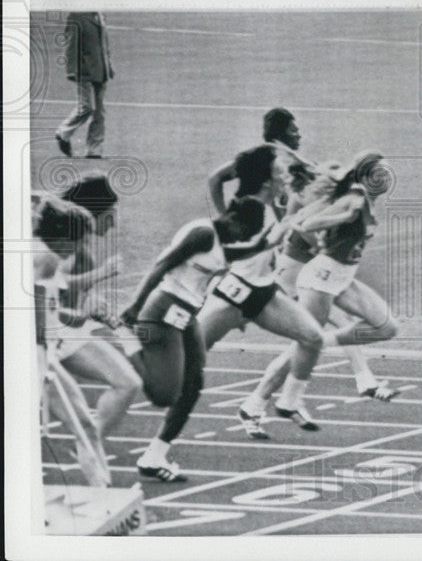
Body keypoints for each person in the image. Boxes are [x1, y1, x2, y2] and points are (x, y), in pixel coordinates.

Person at [237, 152, 398, 440]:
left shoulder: (361, 197)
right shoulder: (354, 201)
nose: (385, 178)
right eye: (379, 173)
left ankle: (272, 395)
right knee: (303, 344)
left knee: (385, 326)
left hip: (342, 279)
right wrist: (335, 224)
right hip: (320, 279)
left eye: (387, 173)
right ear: (365, 175)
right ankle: (267, 402)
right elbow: (304, 222)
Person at [122, 197, 267, 482]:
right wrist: (135, 305)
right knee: (165, 393)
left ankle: (154, 455)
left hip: (185, 316)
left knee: (193, 384)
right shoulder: (202, 233)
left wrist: (284, 227)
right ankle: (126, 342)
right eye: (243, 231)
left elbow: (253, 247)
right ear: (233, 219)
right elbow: (161, 265)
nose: (242, 238)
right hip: (164, 309)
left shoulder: (222, 244)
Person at [198, 144, 326, 432]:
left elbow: (300, 218)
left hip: (264, 294)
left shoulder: (274, 202)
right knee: (185, 362)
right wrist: (224, 221)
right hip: (234, 296)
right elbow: (216, 182)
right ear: (267, 178)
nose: (284, 172)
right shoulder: (248, 208)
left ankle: (287, 402)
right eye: (278, 169)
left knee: (313, 338)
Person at [33, 195, 114, 487]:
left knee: (87, 426)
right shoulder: (44, 260)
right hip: (36, 360)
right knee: (81, 427)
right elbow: (32, 318)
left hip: (46, 357)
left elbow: (51, 314)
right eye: (79, 241)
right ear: (65, 238)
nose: (81, 248)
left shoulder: (47, 258)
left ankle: (103, 490)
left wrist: (85, 318)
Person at [55, 175, 143, 442]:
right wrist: (101, 274)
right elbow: (52, 284)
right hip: (43, 334)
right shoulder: (63, 241)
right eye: (110, 215)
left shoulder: (82, 244)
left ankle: (91, 444)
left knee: (128, 383)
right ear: (93, 213)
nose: (114, 223)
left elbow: (75, 299)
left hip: (65, 333)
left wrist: (95, 304)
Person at [55, 12, 113, 159]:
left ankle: (94, 150)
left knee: (99, 113)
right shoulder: (76, 17)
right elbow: (71, 45)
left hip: (101, 70)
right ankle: (63, 132)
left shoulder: (100, 15)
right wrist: (72, 70)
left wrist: (109, 66)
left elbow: (104, 44)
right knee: (86, 107)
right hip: (84, 70)